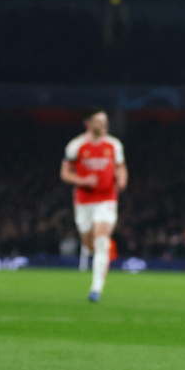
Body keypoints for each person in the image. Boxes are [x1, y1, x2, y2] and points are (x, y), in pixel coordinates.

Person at [60, 108, 127, 302]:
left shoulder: (114, 145)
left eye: (105, 121)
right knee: (89, 244)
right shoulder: (76, 146)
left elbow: (121, 168)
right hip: (84, 202)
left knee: (101, 241)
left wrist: (122, 179)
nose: (104, 125)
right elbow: (65, 174)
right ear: (88, 124)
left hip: (106, 199)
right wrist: (83, 180)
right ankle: (95, 269)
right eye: (99, 121)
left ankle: (96, 289)